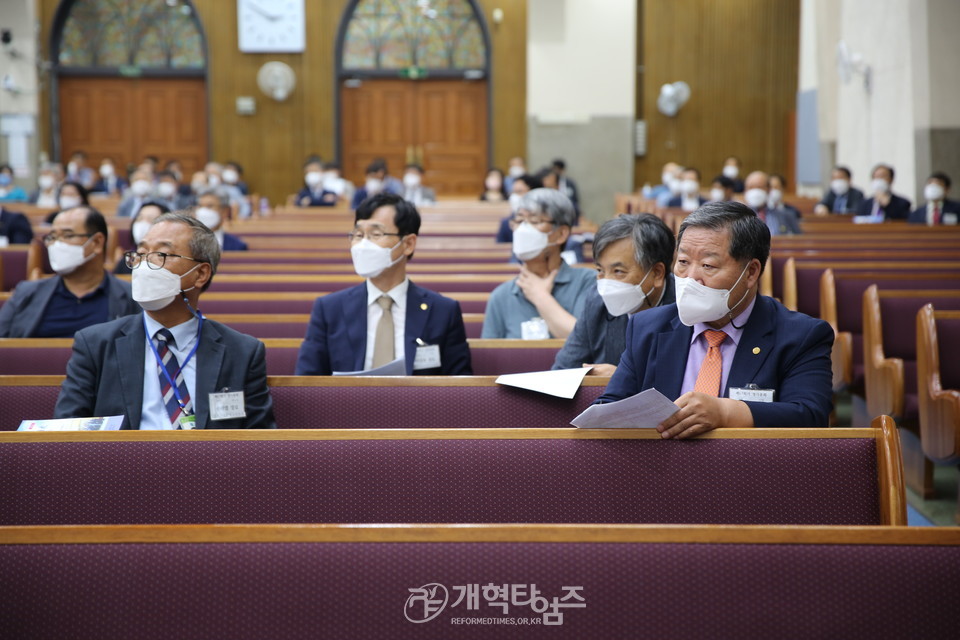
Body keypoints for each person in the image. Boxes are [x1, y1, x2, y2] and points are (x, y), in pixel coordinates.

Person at [597, 201, 834, 437]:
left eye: (708, 265)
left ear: (751, 272)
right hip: (661, 468)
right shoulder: (647, 327)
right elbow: (609, 407)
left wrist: (726, 412)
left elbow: (810, 415)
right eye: (683, 262)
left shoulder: (801, 336)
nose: (690, 278)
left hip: (748, 469)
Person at [54, 212, 276, 429]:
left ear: (200, 274)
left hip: (208, 463)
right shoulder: (95, 344)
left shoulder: (242, 352)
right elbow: (67, 433)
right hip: (122, 463)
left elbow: (258, 443)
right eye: (140, 254)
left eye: (161, 255)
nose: (143, 266)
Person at [295, 193, 472, 375]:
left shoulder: (443, 311)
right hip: (347, 403)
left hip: (418, 403)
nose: (363, 244)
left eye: (376, 234)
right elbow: (307, 382)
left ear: (408, 244)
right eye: (358, 234)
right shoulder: (329, 309)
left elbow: (459, 384)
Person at [552, 214, 676, 375]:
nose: (606, 284)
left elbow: (687, 388)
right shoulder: (597, 300)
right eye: (600, 271)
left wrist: (623, 380)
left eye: (618, 271)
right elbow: (562, 371)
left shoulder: (686, 311)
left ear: (657, 273)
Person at [0, 206, 139, 338]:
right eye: (52, 237)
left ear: (97, 242)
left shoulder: (132, 297)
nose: (56, 244)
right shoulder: (26, 293)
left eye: (67, 235)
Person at [482, 189, 596, 339]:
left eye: (535, 221)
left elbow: (587, 343)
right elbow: (492, 356)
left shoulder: (588, 282)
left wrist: (541, 297)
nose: (523, 229)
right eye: (519, 220)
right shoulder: (501, 296)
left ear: (561, 234)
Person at [115, 201, 171, 275]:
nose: (142, 223)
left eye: (150, 219)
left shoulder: (169, 262)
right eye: (139, 218)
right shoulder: (127, 260)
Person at [743, 170, 800, 236]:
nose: (755, 191)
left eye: (759, 187)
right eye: (751, 187)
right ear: (745, 190)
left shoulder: (786, 215)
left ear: (769, 190)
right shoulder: (737, 217)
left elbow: (799, 240)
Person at [495, 174, 542, 244]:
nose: (514, 196)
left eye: (519, 191)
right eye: (513, 192)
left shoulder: (544, 221)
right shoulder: (506, 223)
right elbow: (500, 248)